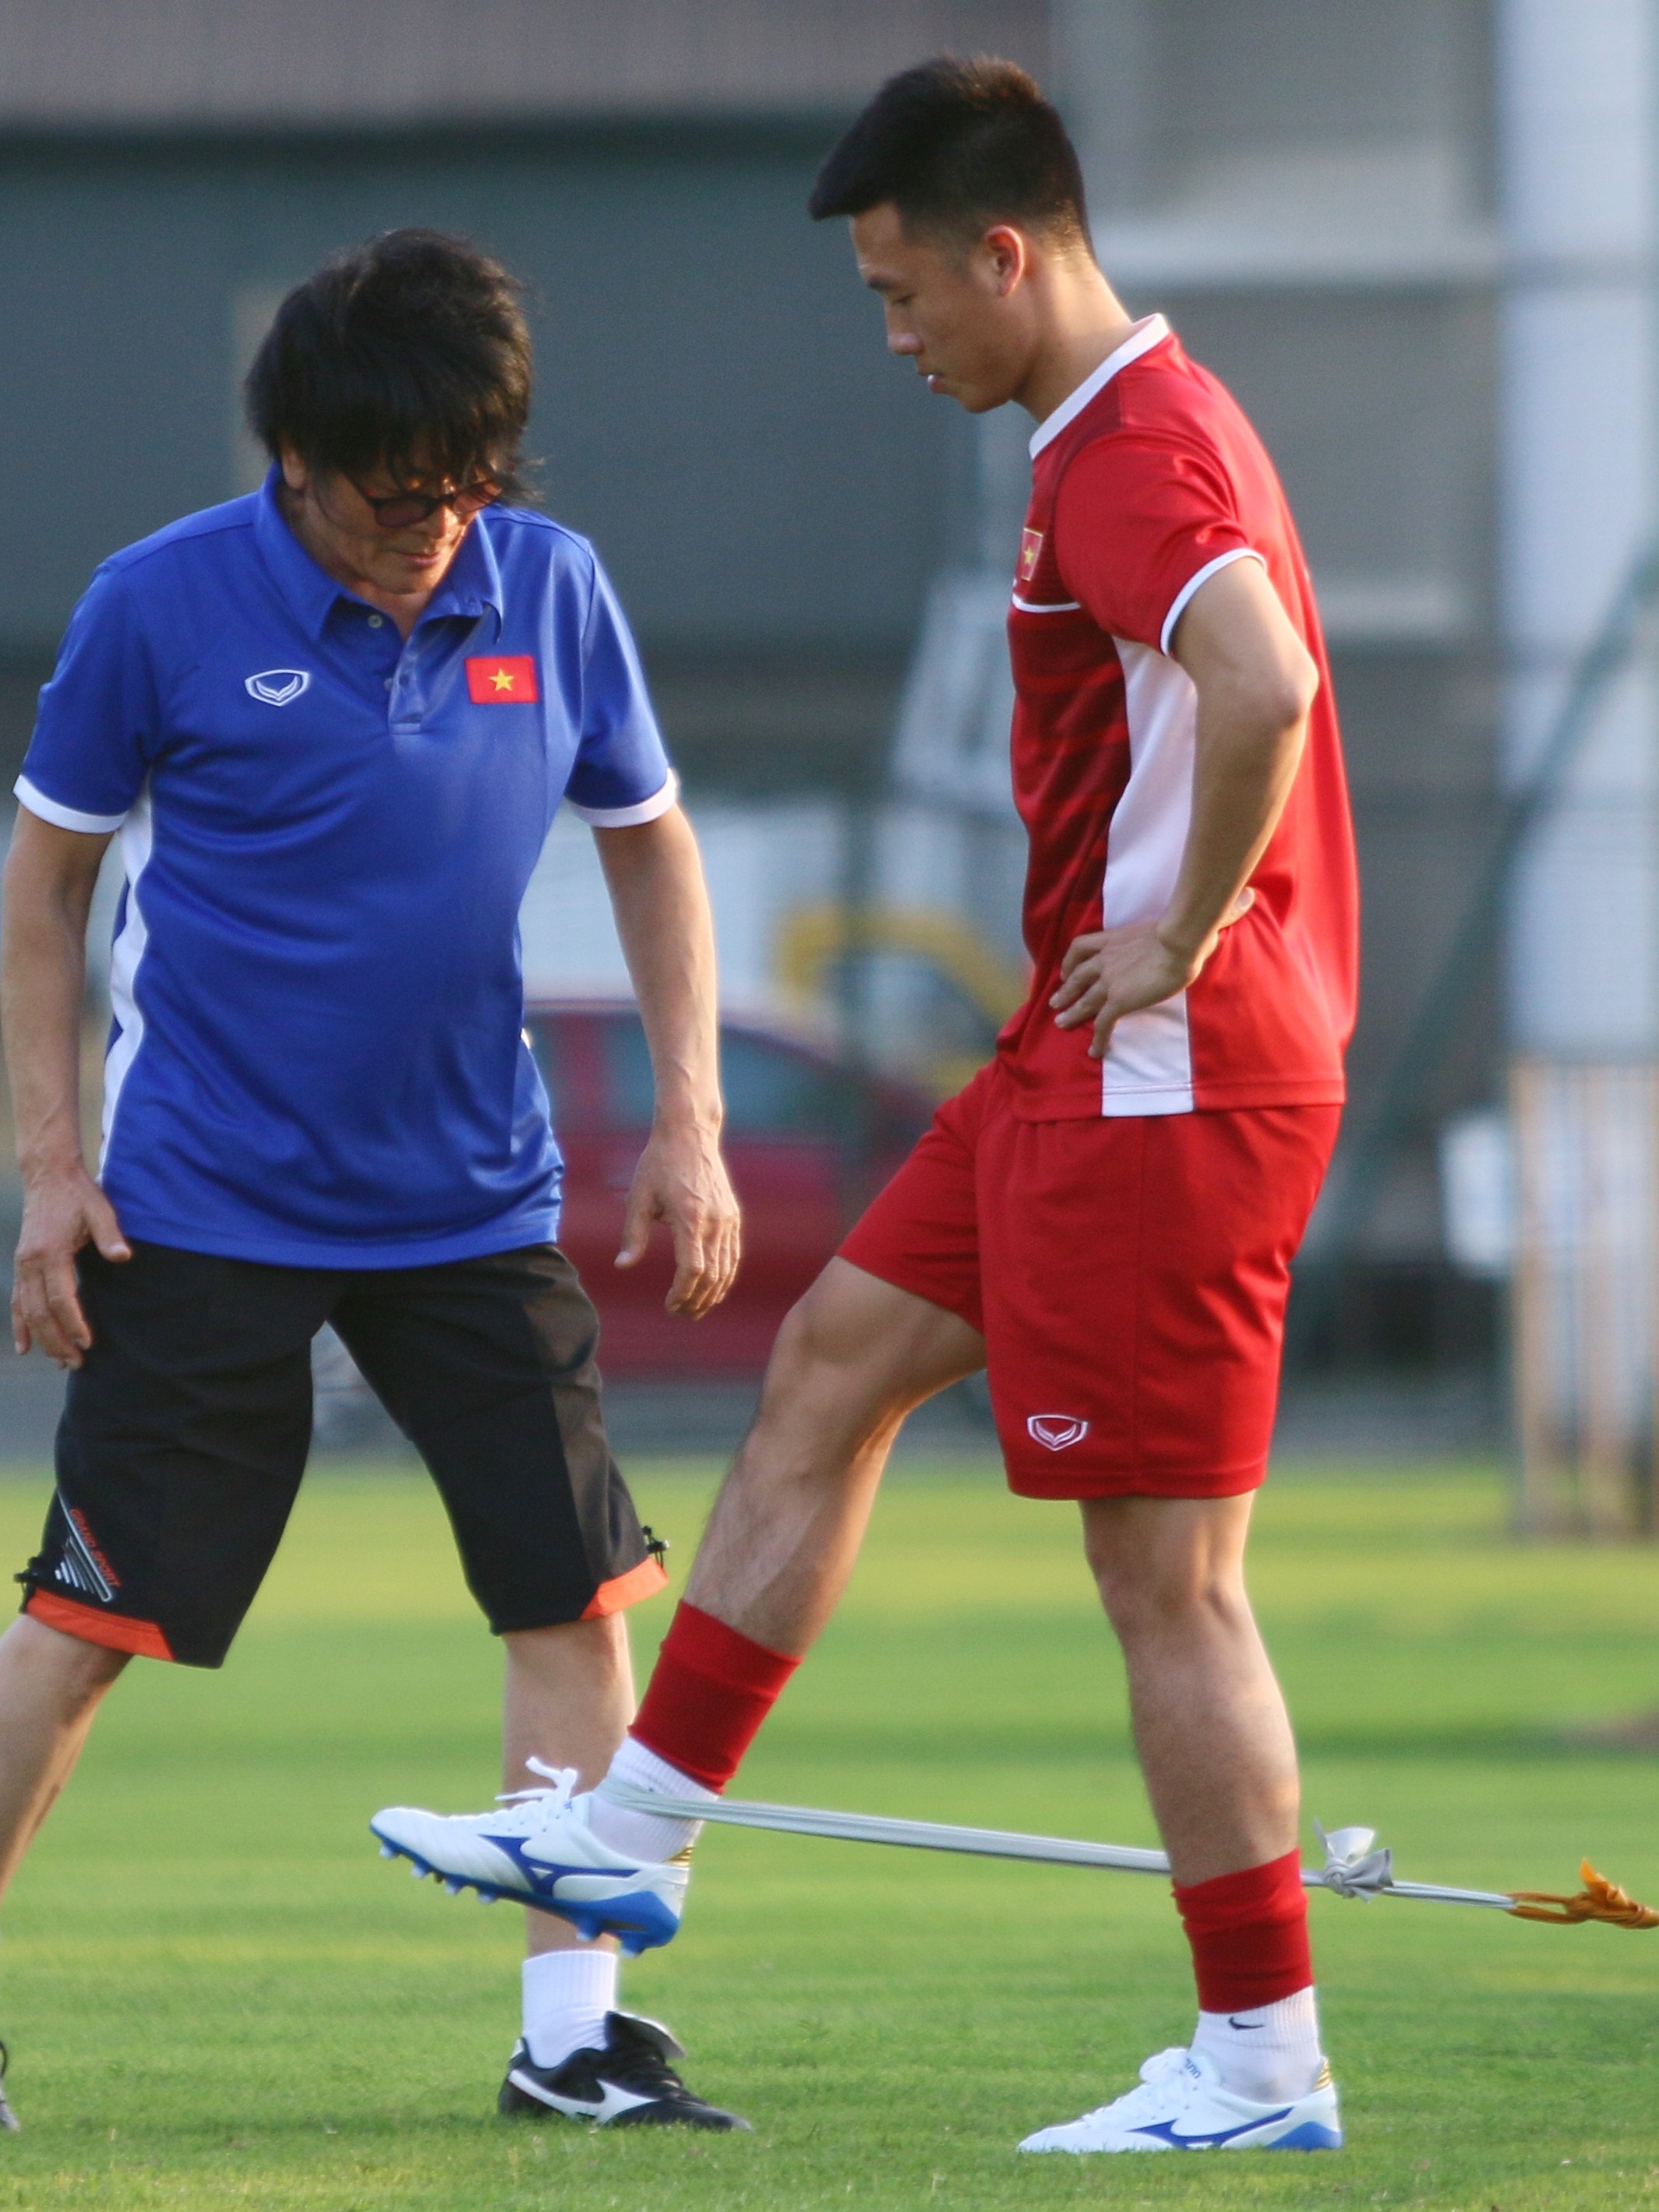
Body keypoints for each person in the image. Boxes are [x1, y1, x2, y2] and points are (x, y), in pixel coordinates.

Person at [373, 58, 1357, 2155]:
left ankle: (1263, 2064)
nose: (897, 342)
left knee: (1168, 1585)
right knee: (824, 1367)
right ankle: (629, 1838)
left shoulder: (1132, 451)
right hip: (1065, 1067)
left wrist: (1178, 939)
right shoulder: (1104, 435)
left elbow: (1263, 683)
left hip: (1165, 1078)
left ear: (1010, 254)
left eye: (908, 297)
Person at [0, 228, 750, 2137]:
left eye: (464, 487)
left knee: (577, 1603)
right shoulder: (158, 605)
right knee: (85, 1624)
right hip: (201, 1205)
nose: (431, 528)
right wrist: (46, 1173)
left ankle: (573, 2035)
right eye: (390, 495)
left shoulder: (551, 588)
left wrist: (691, 1118)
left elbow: (652, 849)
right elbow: (46, 888)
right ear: (296, 459)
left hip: (473, 1204)